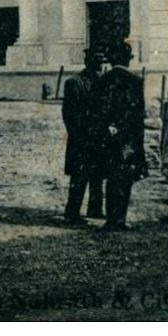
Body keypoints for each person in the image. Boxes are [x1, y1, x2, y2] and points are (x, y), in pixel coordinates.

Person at [96, 41, 146, 230]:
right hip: (127, 141)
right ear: (127, 60)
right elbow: (138, 117)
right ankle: (119, 219)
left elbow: (96, 113)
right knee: (124, 175)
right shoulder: (135, 81)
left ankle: (110, 218)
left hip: (106, 140)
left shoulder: (102, 81)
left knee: (110, 176)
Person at [62, 48, 107, 224]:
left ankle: (95, 209)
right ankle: (72, 213)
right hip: (81, 138)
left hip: (99, 137)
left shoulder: (104, 83)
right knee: (79, 177)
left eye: (102, 62)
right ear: (88, 62)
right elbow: (69, 114)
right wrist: (77, 136)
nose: (100, 65)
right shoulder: (74, 83)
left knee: (98, 175)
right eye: (97, 61)